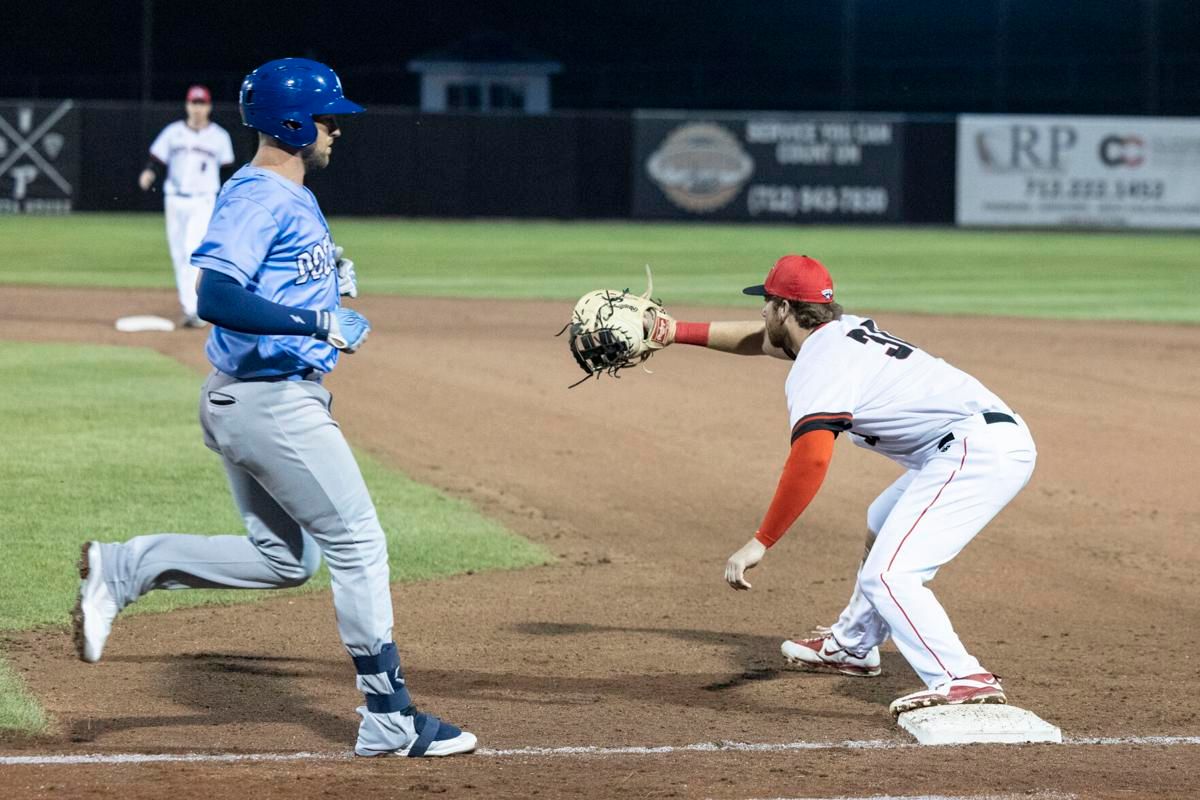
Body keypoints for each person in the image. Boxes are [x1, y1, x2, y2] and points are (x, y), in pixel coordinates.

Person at [74, 58, 476, 758]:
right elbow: (215, 297)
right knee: (357, 542)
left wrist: (325, 289)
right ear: (292, 123)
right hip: (270, 404)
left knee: (286, 559)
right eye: (327, 119)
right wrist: (315, 323)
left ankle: (126, 567)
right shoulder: (259, 195)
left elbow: (275, 282)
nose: (336, 131)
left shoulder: (288, 194)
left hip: (253, 399)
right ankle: (389, 716)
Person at [659, 254, 1037, 716]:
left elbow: (812, 457)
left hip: (976, 450)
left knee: (891, 574)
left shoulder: (819, 364)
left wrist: (762, 540)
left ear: (784, 309)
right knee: (881, 519)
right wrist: (673, 332)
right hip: (973, 442)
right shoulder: (838, 333)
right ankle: (852, 645)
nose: (761, 311)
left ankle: (961, 677)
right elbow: (763, 342)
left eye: (767, 302)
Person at [139, 84, 235, 328]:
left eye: (202, 103)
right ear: (187, 105)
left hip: (203, 199)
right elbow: (157, 159)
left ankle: (195, 308)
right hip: (174, 198)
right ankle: (189, 305)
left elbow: (227, 171)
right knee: (178, 253)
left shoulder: (219, 136)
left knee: (193, 248)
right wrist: (149, 173)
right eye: (194, 103)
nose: (198, 108)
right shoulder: (173, 133)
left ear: (209, 107)